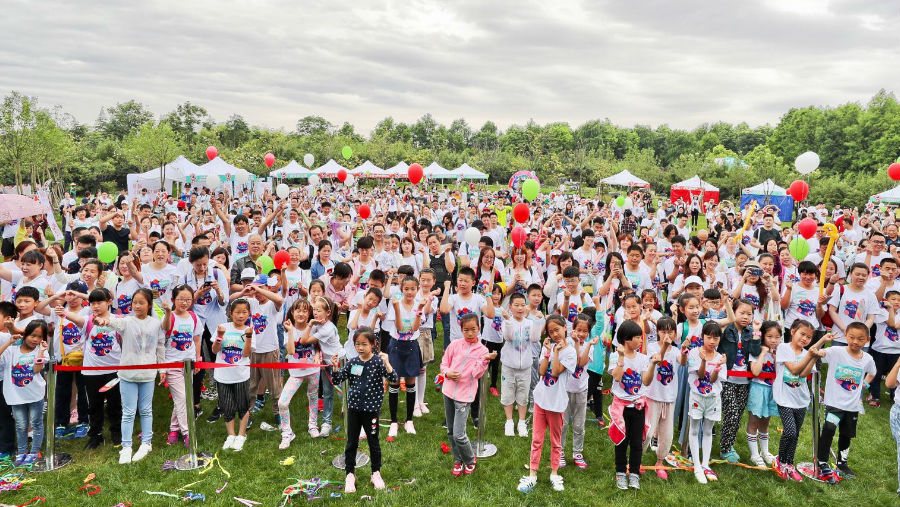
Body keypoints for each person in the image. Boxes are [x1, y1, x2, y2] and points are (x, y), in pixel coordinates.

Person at [97, 288, 165, 464]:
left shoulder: (155, 324)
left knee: (146, 410)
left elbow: (160, 346)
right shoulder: (127, 322)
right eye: (135, 302)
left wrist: (162, 370)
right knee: (128, 412)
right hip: (127, 375)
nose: (137, 306)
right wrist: (104, 321)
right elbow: (114, 322)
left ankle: (146, 443)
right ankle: (126, 447)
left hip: (148, 375)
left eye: (141, 302)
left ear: (149, 304)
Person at [328, 328, 397, 493]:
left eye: (364, 344)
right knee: (351, 442)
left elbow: (394, 379)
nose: (360, 347)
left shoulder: (378, 362)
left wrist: (387, 363)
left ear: (373, 344)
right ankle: (350, 474)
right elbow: (338, 379)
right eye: (357, 344)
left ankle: (376, 472)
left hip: (371, 411)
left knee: (373, 442)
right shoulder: (352, 363)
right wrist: (335, 367)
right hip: (354, 410)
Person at [518, 315, 576, 493]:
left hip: (557, 404)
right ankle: (533, 475)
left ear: (565, 328)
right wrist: (548, 353)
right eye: (551, 332)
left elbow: (557, 372)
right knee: (537, 439)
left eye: (557, 330)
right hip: (541, 400)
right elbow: (542, 371)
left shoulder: (571, 352)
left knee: (555, 441)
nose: (555, 334)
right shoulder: (550, 348)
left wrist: (556, 353)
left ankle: (554, 473)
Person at [817, 321, 876, 483]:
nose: (855, 342)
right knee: (829, 429)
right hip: (834, 404)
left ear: (867, 340)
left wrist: (865, 384)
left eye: (860, 339)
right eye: (851, 337)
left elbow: (872, 372)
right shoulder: (836, 351)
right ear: (845, 336)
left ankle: (842, 463)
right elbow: (815, 352)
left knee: (846, 433)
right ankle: (821, 461)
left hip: (852, 407)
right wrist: (822, 342)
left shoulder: (868, 359)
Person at [773, 320, 830, 481]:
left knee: (795, 434)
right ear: (792, 332)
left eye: (809, 337)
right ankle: (780, 461)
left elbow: (804, 374)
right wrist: (811, 354)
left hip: (801, 399)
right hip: (784, 398)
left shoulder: (806, 353)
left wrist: (813, 355)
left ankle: (790, 464)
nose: (805, 338)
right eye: (802, 334)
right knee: (789, 431)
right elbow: (795, 370)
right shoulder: (784, 348)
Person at [440, 313, 495, 477]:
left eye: (473, 329)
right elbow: (444, 363)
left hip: (465, 396)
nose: (470, 333)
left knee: (459, 434)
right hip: (448, 391)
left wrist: (484, 360)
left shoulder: (482, 350)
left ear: (479, 328)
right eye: (466, 330)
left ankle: (470, 460)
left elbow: (477, 374)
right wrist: (448, 373)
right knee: (450, 431)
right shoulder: (455, 344)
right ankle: (458, 460)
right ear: (461, 329)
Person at [608, 320, 651, 490]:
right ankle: (620, 473)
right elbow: (617, 377)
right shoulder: (614, 356)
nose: (641, 341)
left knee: (636, 443)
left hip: (638, 406)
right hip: (621, 408)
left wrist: (653, 365)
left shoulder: (643, 358)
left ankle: (634, 474)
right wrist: (620, 357)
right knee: (621, 441)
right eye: (637, 338)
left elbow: (646, 381)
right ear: (627, 340)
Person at [683, 321, 727, 484]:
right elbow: (701, 376)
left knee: (708, 430)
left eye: (715, 338)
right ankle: (696, 466)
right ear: (703, 337)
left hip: (713, 398)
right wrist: (703, 361)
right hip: (697, 397)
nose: (712, 341)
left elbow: (713, 379)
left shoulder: (720, 357)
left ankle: (705, 464)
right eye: (709, 337)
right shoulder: (695, 352)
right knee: (694, 429)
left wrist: (717, 367)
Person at [0, 320, 48, 466]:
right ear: (25, 335)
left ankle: (34, 452)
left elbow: (36, 370)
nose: (36, 340)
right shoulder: (11, 351)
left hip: (35, 394)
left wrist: (40, 350)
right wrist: (9, 343)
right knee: (20, 425)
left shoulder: (40, 352)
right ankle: (22, 453)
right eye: (33, 335)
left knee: (36, 423)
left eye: (40, 337)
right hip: (15, 395)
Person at [160, 285, 202, 447]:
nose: (184, 303)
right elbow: (164, 331)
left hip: (189, 364)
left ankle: (173, 429)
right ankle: (187, 433)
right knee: (183, 399)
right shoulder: (168, 317)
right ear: (173, 300)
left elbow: (196, 339)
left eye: (188, 299)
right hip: (172, 364)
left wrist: (197, 359)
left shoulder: (193, 317)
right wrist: (168, 313)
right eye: (181, 299)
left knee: (182, 399)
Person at [386, 276, 427, 439]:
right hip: (396, 345)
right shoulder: (395, 304)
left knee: (411, 382)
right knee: (394, 382)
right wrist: (396, 308)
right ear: (401, 289)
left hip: (411, 346)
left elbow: (415, 327)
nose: (409, 292)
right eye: (406, 289)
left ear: (417, 289)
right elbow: (400, 328)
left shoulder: (419, 304)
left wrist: (419, 310)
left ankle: (409, 420)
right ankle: (394, 422)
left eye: (412, 289)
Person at [213, 299, 254, 452]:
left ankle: (241, 435)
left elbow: (246, 353)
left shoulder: (249, 330)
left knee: (243, 406)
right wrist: (219, 336)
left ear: (248, 313)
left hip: (241, 375)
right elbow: (215, 350)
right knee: (227, 406)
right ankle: (231, 435)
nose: (241, 315)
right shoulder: (223, 328)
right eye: (237, 312)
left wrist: (248, 337)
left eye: (244, 312)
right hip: (223, 375)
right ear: (231, 313)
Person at [279, 299, 319, 446]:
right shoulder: (289, 329)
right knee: (282, 403)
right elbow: (290, 351)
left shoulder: (313, 328)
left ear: (309, 313)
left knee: (313, 397)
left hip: (313, 370)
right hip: (296, 373)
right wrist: (290, 332)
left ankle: (313, 425)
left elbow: (319, 344)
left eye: (305, 310)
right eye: (298, 310)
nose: (301, 314)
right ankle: (287, 432)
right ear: (292, 312)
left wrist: (317, 354)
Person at [500, 293, 541, 438]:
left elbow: (535, 339)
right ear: (510, 307)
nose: (520, 308)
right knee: (508, 392)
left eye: (523, 305)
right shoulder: (507, 321)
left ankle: (522, 422)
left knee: (523, 394)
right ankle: (509, 421)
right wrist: (508, 320)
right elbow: (509, 337)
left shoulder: (529, 323)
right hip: (509, 366)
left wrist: (536, 321)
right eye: (516, 305)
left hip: (525, 366)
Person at [643, 316, 679, 480]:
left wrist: (684, 352)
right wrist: (664, 347)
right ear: (657, 332)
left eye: (670, 332)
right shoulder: (651, 347)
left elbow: (683, 362)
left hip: (670, 397)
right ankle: (638, 459)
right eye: (663, 331)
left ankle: (660, 461)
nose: (667, 335)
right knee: (648, 431)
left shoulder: (676, 350)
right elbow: (657, 361)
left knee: (667, 433)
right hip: (653, 396)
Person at [561, 313, 596, 470]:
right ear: (572, 329)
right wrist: (575, 343)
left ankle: (577, 453)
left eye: (585, 331)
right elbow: (574, 361)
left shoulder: (590, 346)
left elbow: (581, 362)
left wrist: (585, 345)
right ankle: (559, 451)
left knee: (579, 424)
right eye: (578, 330)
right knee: (562, 424)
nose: (581, 334)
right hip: (564, 390)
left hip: (581, 390)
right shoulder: (566, 344)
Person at [745, 320, 781, 467]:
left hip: (772, 390)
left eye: (777, 337)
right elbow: (755, 371)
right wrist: (763, 353)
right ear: (763, 336)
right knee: (754, 421)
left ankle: (765, 452)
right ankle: (754, 454)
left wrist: (775, 357)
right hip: (758, 389)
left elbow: (781, 372)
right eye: (770, 336)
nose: (773, 340)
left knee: (766, 422)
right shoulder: (756, 350)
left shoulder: (780, 352)